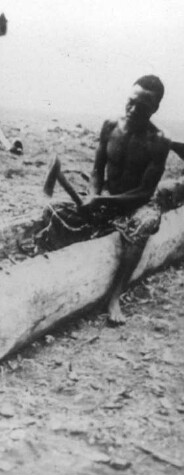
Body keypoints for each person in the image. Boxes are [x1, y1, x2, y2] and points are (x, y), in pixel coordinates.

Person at [39, 75, 170, 325]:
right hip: (106, 195)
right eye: (130, 103)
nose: (132, 110)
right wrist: (93, 195)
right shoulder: (110, 126)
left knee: (142, 226)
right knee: (54, 210)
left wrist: (102, 202)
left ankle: (115, 296)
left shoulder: (159, 141)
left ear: (154, 109)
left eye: (141, 108)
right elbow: (98, 170)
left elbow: (144, 191)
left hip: (139, 203)